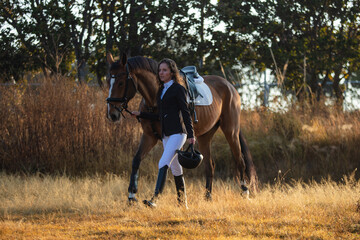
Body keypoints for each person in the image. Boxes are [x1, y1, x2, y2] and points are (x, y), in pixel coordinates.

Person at [131, 58, 195, 208]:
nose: (161, 73)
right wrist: (140, 114)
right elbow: (160, 116)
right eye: (160, 70)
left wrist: (191, 135)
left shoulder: (179, 89)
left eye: (165, 70)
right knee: (175, 168)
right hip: (166, 134)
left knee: (163, 162)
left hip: (179, 133)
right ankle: (183, 204)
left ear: (172, 72)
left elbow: (185, 112)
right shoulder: (161, 91)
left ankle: (155, 199)